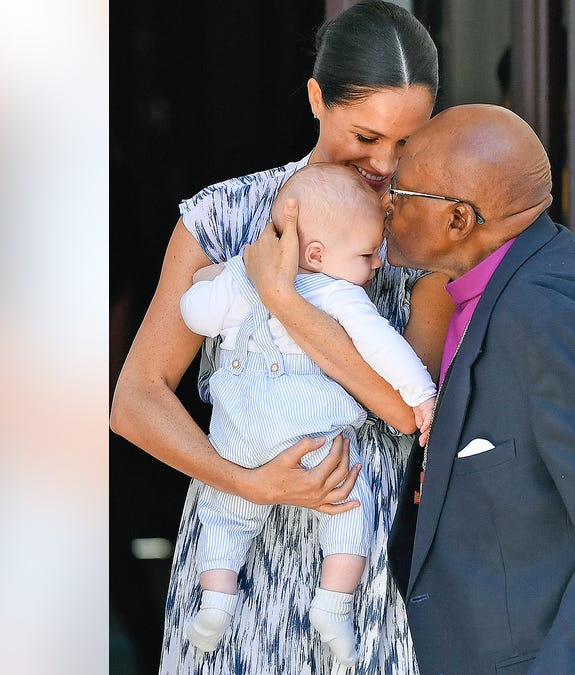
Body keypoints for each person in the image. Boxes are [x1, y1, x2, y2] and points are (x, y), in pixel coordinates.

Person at [109, 2, 449, 673]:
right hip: (229, 584)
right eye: (367, 135)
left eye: (407, 142)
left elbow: (406, 410)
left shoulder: (421, 240)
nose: (385, 164)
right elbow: (135, 400)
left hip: (359, 590)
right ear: (318, 99)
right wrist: (251, 484)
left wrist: (283, 301)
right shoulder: (223, 215)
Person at [381, 104, 575, 673]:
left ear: (459, 220)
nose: (386, 206)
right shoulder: (493, 285)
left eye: (402, 192)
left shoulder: (543, 314)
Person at [177, 164, 436, 668]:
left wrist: (212, 278)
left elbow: (197, 316)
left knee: (225, 517)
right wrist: (423, 395)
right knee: (346, 509)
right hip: (311, 434)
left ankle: (215, 602)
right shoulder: (340, 294)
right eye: (367, 254)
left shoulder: (243, 276)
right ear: (317, 255)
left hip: (240, 438)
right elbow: (387, 351)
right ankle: (333, 606)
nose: (378, 264)